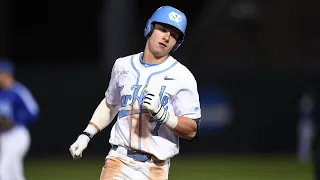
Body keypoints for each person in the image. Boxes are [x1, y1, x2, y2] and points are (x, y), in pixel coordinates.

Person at [69, 6, 201, 180]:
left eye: (174, 34)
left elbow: (191, 130)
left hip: (156, 167)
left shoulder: (183, 76)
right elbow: (111, 104)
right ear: (150, 28)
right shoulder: (122, 65)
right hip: (118, 159)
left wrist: (164, 115)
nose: (167, 37)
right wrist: (86, 134)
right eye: (162, 29)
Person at [0, 59, 40, 180]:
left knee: (3, 170)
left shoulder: (19, 91)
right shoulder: (1, 93)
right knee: (15, 173)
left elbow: (34, 111)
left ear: (7, 74)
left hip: (18, 135)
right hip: (3, 136)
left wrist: (15, 121)